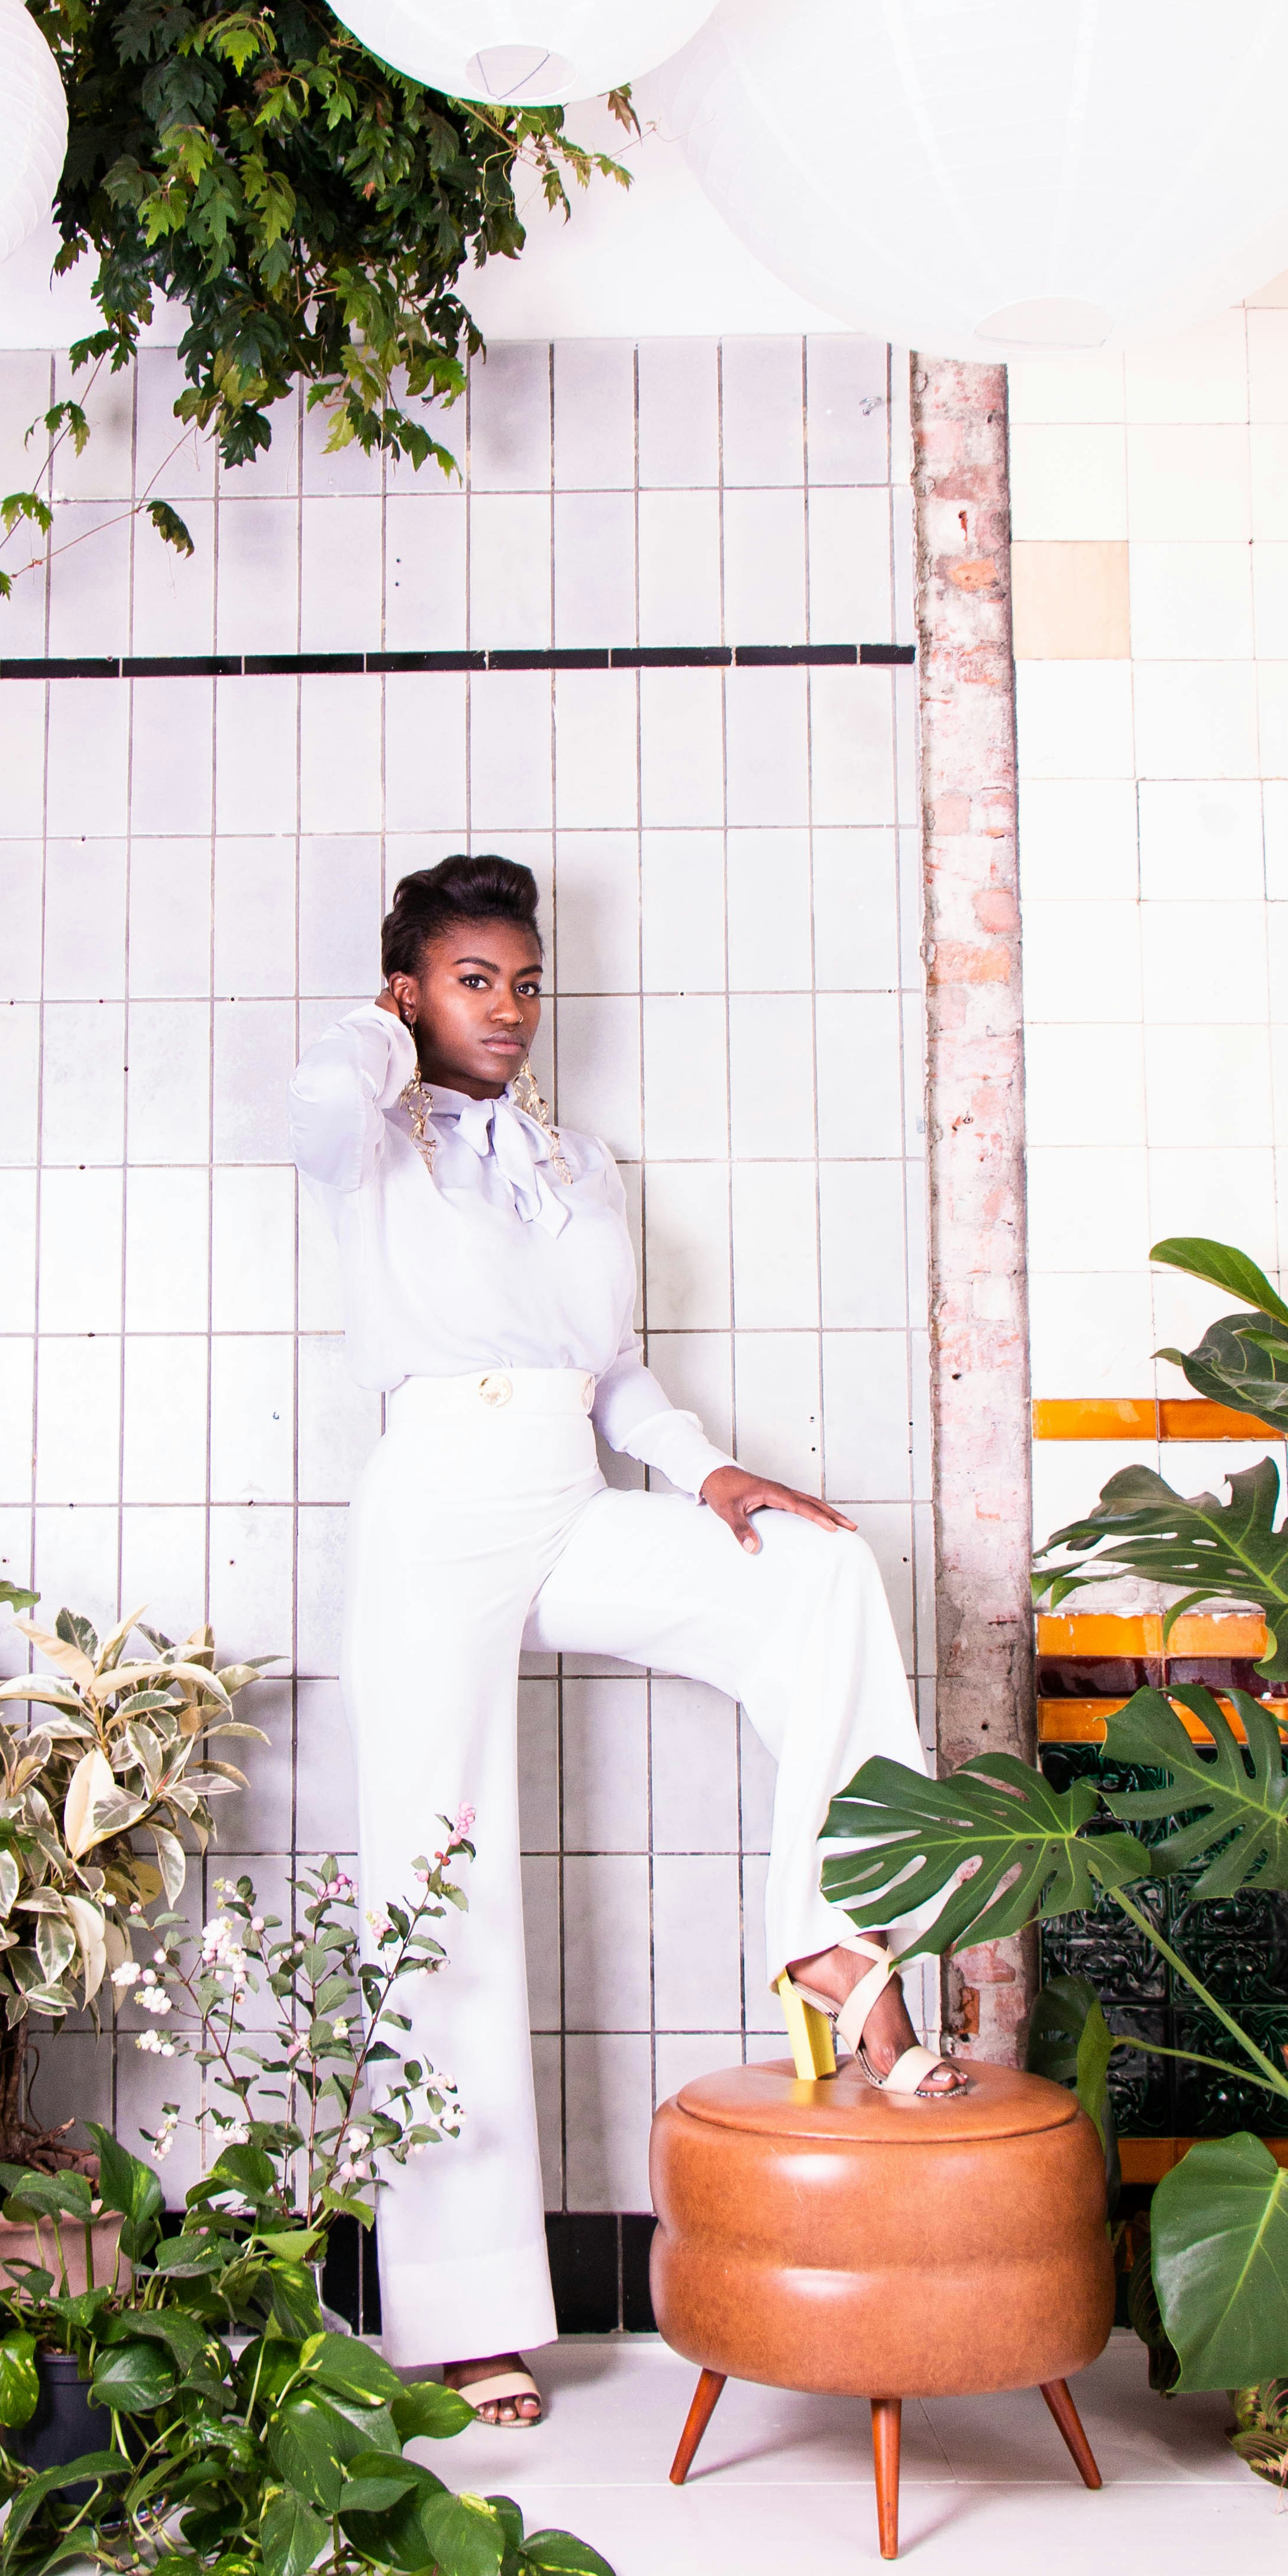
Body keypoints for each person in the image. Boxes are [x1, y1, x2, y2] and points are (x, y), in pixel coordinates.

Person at [289, 855, 968, 2431]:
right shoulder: (368, 1138)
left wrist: (712, 1470)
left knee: (818, 1576)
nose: (510, 1009)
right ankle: (464, 2318)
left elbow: (617, 1375)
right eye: (474, 978)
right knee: (436, 1873)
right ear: (409, 988)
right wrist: (387, 1032)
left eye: (525, 980)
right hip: (432, 1509)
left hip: (566, 1484)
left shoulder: (581, 1164)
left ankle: (840, 1941)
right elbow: (312, 1107)